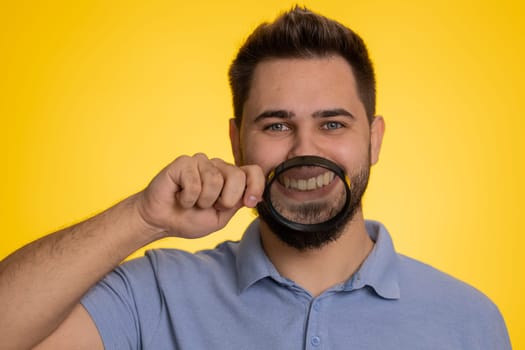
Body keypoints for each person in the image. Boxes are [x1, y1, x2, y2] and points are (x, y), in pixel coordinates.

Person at [0, 6, 511, 350]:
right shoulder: (155, 293)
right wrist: (142, 217)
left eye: (332, 123)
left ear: (374, 139)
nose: (305, 149)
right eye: (276, 124)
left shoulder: (470, 322)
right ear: (236, 141)